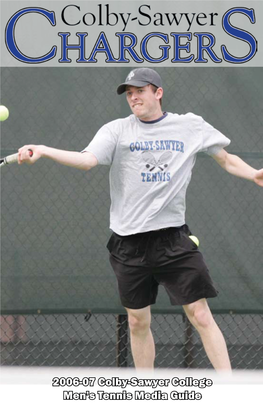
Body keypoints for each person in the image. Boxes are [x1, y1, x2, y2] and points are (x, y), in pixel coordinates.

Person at [18, 68, 263, 370]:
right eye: (129, 93)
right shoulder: (117, 130)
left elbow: (225, 158)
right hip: (128, 243)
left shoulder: (190, 126)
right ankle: (145, 391)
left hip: (173, 240)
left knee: (200, 315)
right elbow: (86, 161)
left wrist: (253, 173)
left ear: (158, 92)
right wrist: (43, 150)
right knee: (136, 321)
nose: (133, 97)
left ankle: (231, 389)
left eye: (140, 91)